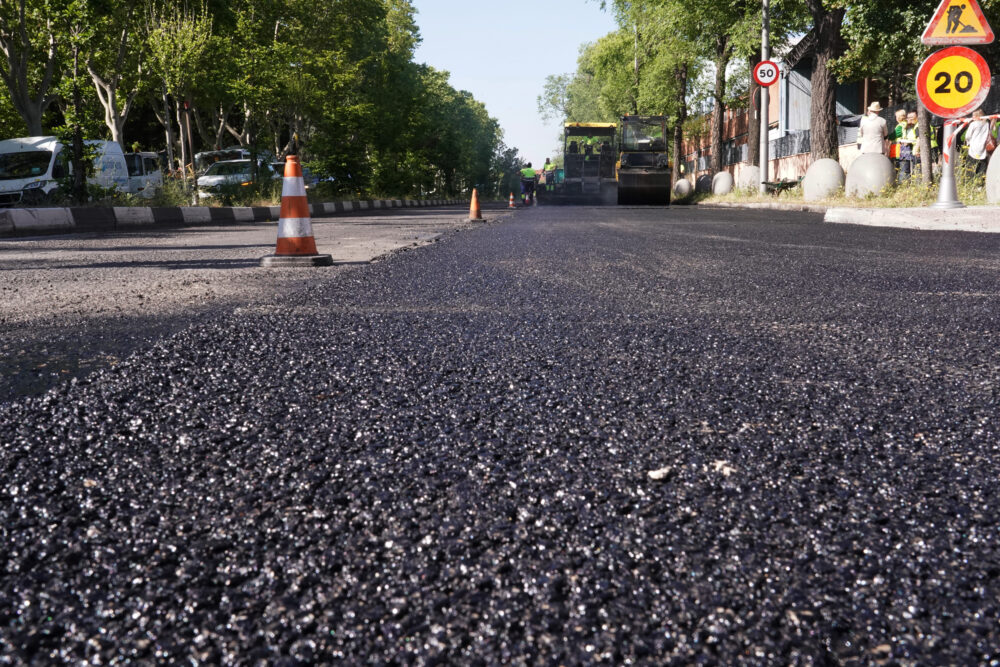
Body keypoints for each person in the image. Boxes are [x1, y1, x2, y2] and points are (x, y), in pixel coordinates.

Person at [961, 108, 993, 178]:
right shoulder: (987, 124)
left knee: (971, 166)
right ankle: (980, 183)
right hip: (983, 148)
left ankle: (970, 181)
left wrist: (968, 142)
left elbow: (967, 136)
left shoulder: (973, 124)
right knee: (982, 167)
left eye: (973, 116)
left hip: (973, 147)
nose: (972, 117)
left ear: (977, 116)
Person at [896, 111, 918, 183]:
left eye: (911, 118)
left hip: (911, 150)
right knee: (906, 169)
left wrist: (907, 141)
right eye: (908, 118)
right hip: (906, 150)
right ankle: (906, 183)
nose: (908, 120)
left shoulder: (914, 126)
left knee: (906, 169)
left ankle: (904, 183)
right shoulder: (907, 126)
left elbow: (915, 138)